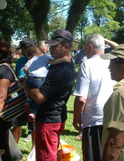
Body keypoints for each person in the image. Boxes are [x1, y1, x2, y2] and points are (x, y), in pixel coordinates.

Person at [25, 29, 75, 161]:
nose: (50, 49)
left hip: (48, 120)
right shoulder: (65, 63)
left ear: (66, 47)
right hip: (54, 117)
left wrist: (27, 84)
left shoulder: (61, 70)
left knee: (46, 157)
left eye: (54, 46)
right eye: (50, 45)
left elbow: (39, 97)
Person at [72, 34, 116, 161]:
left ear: (90, 47)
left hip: (93, 121)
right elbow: (120, 47)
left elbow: (81, 99)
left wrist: (76, 118)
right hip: (112, 118)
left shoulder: (87, 64)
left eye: (85, 47)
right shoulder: (113, 61)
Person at [13, 37, 35, 144]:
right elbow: (16, 75)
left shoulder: (39, 60)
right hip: (21, 96)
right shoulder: (20, 61)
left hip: (34, 96)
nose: (22, 52)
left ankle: (31, 134)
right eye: (21, 50)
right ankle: (14, 149)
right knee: (17, 122)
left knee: (33, 122)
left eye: (24, 50)